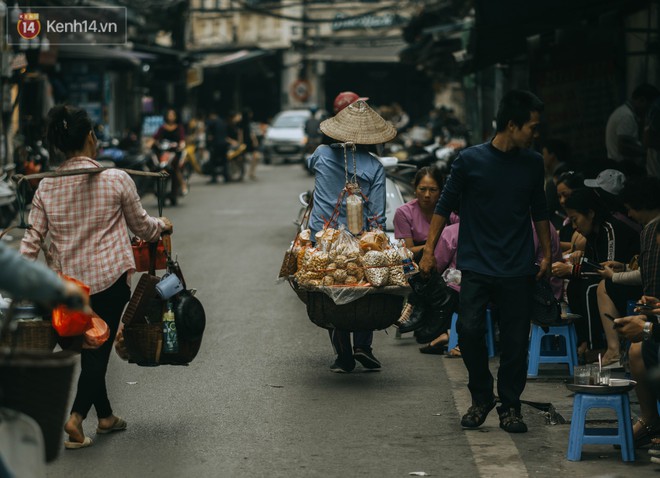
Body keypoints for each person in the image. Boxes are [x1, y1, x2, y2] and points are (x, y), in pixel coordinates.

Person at [20, 104, 173, 450]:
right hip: (109, 283)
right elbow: (145, 229)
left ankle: (105, 417)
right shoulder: (117, 179)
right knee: (97, 350)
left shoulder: (45, 187)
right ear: (91, 137)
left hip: (66, 287)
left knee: (92, 348)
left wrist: (13, 282)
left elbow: (31, 241)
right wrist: (162, 226)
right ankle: (75, 419)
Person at [419, 89, 552, 434]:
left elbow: (539, 209)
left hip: (517, 266)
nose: (535, 134)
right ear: (512, 124)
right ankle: (481, 396)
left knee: (514, 341)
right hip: (476, 264)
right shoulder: (470, 160)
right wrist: (429, 251)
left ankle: (510, 405)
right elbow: (443, 206)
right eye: (532, 127)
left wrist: (548, 253)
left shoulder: (532, 163)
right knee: (470, 329)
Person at [308, 98, 395, 373]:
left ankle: (344, 355)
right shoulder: (374, 166)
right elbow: (378, 214)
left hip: (323, 237)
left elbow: (312, 163)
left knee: (332, 290)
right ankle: (363, 346)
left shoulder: (321, 154)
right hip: (361, 239)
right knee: (364, 290)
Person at [551, 188, 640, 359]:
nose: (575, 227)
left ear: (590, 213)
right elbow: (593, 265)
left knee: (590, 287)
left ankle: (598, 346)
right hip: (615, 281)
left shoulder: (610, 229)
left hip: (630, 283)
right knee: (575, 286)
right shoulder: (593, 233)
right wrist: (577, 262)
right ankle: (584, 340)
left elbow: (605, 271)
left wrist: (572, 269)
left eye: (576, 220)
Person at [592, 176, 660, 368]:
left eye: (630, 208)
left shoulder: (651, 229)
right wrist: (624, 267)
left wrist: (614, 276)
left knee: (603, 287)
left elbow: (648, 277)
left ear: (642, 204)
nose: (629, 214)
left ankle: (613, 350)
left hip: (652, 303)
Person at [0, 241, 88, 311]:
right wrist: (57, 286)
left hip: (68, 283)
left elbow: (32, 239)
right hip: (87, 281)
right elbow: (7, 265)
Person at [605, 83, 660, 175]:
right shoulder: (627, 116)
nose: (649, 111)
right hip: (624, 168)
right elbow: (623, 147)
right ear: (642, 100)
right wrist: (645, 153)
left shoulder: (623, 112)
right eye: (650, 107)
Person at [151, 108, 186, 200]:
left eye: (172, 115)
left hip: (175, 153)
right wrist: (149, 143)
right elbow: (154, 138)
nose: (171, 117)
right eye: (169, 115)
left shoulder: (179, 128)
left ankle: (182, 185)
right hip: (163, 153)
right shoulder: (162, 128)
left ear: (175, 117)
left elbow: (182, 141)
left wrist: (181, 145)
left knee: (176, 169)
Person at [205, 112, 229, 184]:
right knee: (224, 161)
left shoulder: (212, 122)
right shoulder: (223, 122)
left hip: (216, 144)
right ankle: (226, 177)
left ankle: (214, 178)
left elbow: (208, 129)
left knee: (213, 161)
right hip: (224, 144)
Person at [240, 108, 261, 180]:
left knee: (256, 157)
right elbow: (251, 134)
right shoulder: (247, 123)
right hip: (249, 143)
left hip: (246, 143)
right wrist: (255, 142)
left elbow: (241, 134)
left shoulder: (244, 123)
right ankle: (250, 173)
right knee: (256, 157)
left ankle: (251, 173)